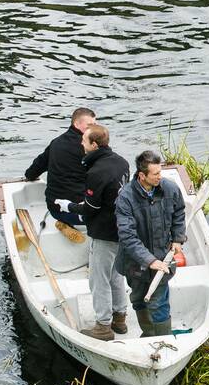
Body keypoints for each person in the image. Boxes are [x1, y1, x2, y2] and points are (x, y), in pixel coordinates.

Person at [64, 124, 131, 341]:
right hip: (123, 228)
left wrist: (69, 206)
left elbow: (91, 208)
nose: (81, 143)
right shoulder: (122, 162)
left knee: (98, 279)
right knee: (116, 274)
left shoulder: (96, 172)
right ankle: (120, 318)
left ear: (94, 144)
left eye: (84, 140)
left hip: (104, 233)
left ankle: (103, 326)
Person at [114, 150, 186, 337]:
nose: (159, 177)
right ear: (142, 175)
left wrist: (178, 238)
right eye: (155, 174)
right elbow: (127, 236)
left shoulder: (170, 189)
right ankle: (149, 334)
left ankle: (164, 339)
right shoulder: (125, 198)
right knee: (138, 299)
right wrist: (149, 260)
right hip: (134, 262)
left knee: (159, 302)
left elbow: (179, 212)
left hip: (163, 258)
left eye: (160, 172)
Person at [24, 107, 96, 242]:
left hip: (55, 209)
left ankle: (63, 223)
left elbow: (34, 170)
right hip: (78, 212)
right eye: (90, 125)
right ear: (76, 124)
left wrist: (29, 176)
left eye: (95, 125)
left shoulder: (56, 143)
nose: (94, 129)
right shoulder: (89, 149)